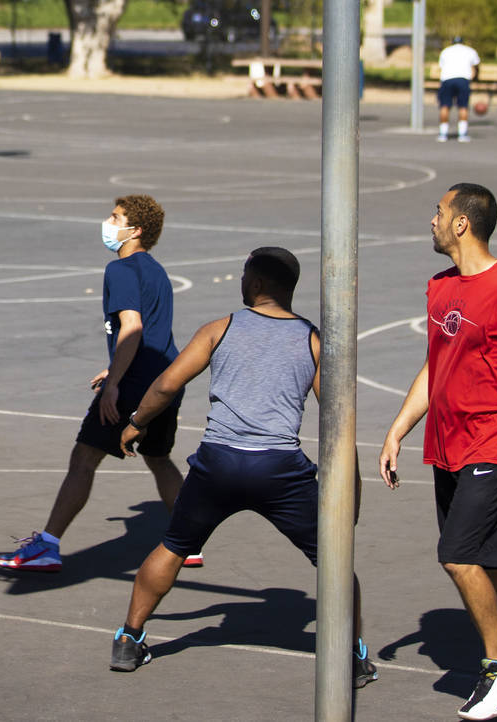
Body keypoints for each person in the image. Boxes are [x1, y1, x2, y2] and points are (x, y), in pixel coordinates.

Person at [106, 247, 375, 690]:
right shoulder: (312, 340)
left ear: (255, 284)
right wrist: (354, 491)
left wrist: (136, 423)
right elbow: (338, 425)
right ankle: (352, 655)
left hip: (219, 463)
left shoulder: (220, 328)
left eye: (244, 274)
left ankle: (129, 639)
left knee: (173, 546)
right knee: (334, 561)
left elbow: (167, 384)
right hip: (279, 470)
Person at [379, 183, 497, 720]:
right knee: (495, 563)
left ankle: (496, 667)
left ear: (462, 224)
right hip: (450, 446)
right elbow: (437, 366)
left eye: (438, 212)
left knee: (457, 555)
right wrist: (397, 430)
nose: (431, 220)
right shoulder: (440, 288)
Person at [0, 195, 202, 573]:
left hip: (136, 384)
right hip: (166, 379)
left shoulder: (120, 269)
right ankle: (187, 543)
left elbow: (133, 327)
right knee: (158, 458)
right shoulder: (156, 271)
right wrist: (114, 368)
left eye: (115, 217)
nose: (108, 222)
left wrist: (115, 384)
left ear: (135, 230)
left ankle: (47, 546)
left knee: (84, 458)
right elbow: (153, 333)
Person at [437, 35, 481, 143]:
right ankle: (462, 134)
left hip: (447, 79)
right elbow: (476, 66)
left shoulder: (445, 51)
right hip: (463, 80)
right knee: (463, 106)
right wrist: (475, 78)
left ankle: (443, 134)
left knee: (445, 106)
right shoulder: (470, 51)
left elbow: (442, 66)